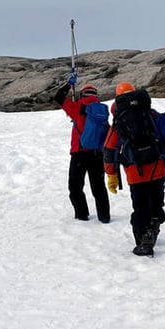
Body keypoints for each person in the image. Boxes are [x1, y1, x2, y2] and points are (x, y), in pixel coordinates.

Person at [104, 82, 165, 256]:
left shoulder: (119, 121)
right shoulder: (150, 114)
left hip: (135, 172)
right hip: (158, 167)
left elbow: (109, 149)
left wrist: (111, 174)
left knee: (140, 206)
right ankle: (154, 224)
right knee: (156, 201)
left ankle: (144, 240)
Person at [54, 76, 110, 223]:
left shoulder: (77, 107)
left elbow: (58, 97)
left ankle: (82, 215)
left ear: (82, 94)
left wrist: (68, 85)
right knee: (99, 188)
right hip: (98, 154)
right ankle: (104, 216)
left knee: (75, 186)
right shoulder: (102, 111)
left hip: (79, 153)